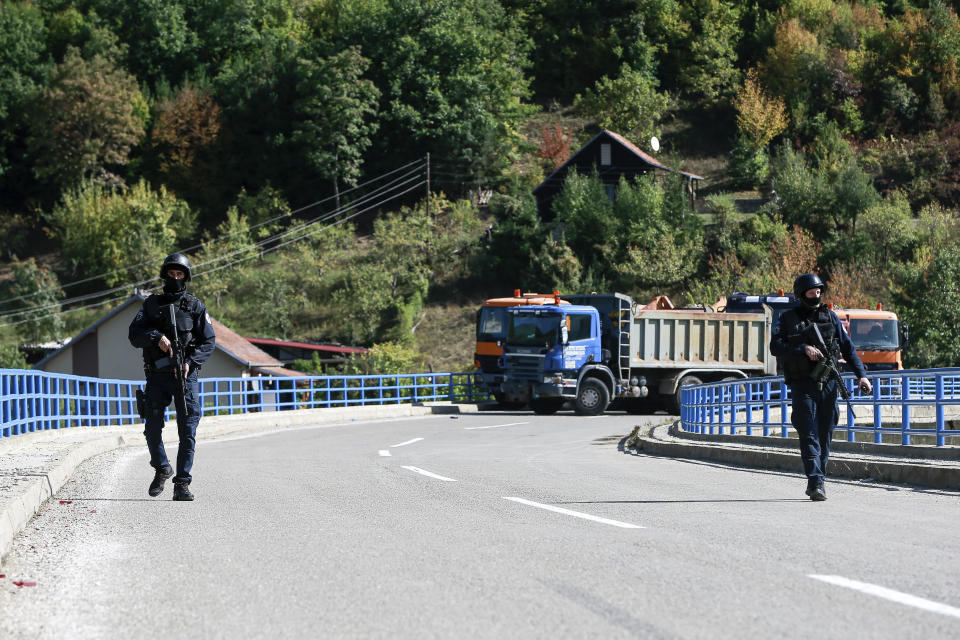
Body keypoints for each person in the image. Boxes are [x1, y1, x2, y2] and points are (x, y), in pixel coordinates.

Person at [770, 273, 873, 501]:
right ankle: (815, 481)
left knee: (825, 432)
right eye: (811, 292)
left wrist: (862, 376)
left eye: (818, 292)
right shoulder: (788, 319)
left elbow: (848, 349)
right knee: (808, 432)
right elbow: (775, 346)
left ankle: (819, 479)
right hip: (802, 383)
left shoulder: (831, 317)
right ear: (801, 294)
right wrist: (802, 349)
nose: (815, 296)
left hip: (828, 382)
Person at [129, 253, 215, 501]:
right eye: (171, 274)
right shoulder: (151, 304)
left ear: (185, 277)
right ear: (165, 275)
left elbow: (209, 341)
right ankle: (162, 468)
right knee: (152, 427)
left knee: (187, 431)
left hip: (185, 377)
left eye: (180, 275)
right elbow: (134, 336)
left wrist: (190, 361)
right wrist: (157, 337)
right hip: (157, 375)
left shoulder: (195, 306)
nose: (175, 278)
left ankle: (182, 484)